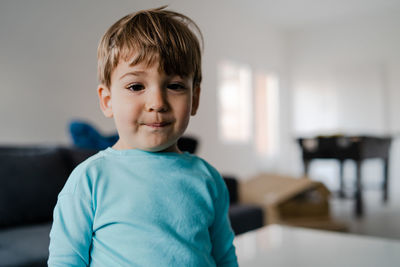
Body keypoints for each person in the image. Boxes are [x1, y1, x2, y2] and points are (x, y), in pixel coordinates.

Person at [48, 6, 238, 266]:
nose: (157, 102)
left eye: (175, 86)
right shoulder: (90, 180)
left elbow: (224, 257)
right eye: (136, 86)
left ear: (195, 99)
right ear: (107, 100)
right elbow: (65, 262)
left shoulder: (208, 180)